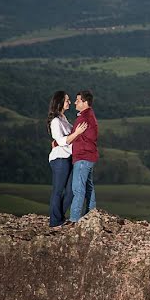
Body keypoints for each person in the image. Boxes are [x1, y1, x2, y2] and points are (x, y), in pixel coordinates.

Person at [47, 91, 87, 227]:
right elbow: (63, 140)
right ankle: (54, 221)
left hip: (69, 158)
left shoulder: (63, 118)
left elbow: (73, 137)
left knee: (71, 190)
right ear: (59, 102)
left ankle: (59, 217)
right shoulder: (55, 121)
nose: (69, 102)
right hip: (59, 159)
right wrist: (77, 133)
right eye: (67, 100)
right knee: (58, 190)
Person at [68, 89, 98, 222]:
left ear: (85, 102)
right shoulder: (90, 115)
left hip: (82, 157)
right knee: (88, 187)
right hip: (89, 156)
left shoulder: (84, 118)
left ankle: (74, 219)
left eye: (78, 100)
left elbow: (72, 137)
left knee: (78, 189)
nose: (75, 103)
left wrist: (56, 143)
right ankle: (92, 216)